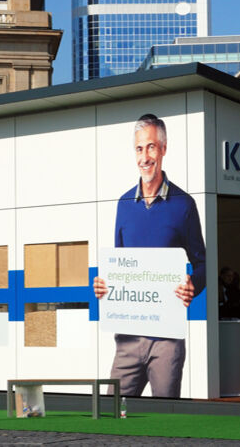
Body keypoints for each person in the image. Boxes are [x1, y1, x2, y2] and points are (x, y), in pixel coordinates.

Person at [92, 113, 206, 399]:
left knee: (165, 417)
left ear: (163, 149)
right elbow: (120, 264)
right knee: (112, 411)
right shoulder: (124, 204)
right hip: (128, 339)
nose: (144, 157)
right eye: (139, 149)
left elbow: (202, 263)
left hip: (167, 340)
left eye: (151, 147)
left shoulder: (184, 205)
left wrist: (193, 284)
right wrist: (105, 285)